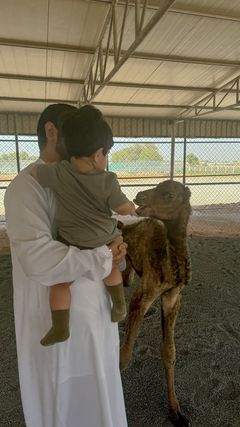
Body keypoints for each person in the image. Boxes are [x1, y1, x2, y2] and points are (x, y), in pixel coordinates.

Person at [4, 103, 129, 427]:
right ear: (52, 132)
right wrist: (104, 256)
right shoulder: (27, 186)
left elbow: (105, 226)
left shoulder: (85, 179)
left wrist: (117, 247)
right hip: (59, 326)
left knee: (101, 399)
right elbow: (40, 259)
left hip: (97, 321)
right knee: (64, 407)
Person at [31, 105, 136, 347]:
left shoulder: (58, 172)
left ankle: (60, 327)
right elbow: (121, 208)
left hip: (71, 242)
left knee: (60, 284)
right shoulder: (108, 180)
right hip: (103, 241)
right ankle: (119, 306)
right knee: (112, 268)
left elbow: (36, 174)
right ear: (98, 155)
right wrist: (130, 206)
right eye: (106, 154)